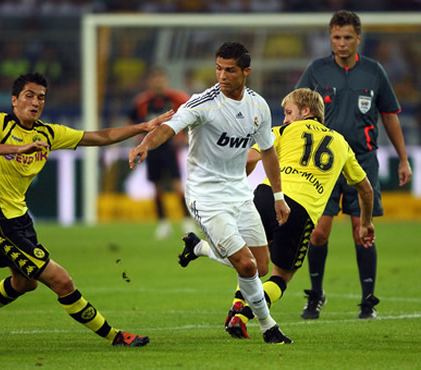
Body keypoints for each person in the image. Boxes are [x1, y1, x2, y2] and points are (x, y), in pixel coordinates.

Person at [0, 72, 173, 346]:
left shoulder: (48, 133)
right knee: (61, 281)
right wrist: (17, 147)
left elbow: (99, 137)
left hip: (21, 220)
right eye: (29, 96)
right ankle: (115, 337)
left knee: (25, 283)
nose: (36, 102)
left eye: (41, 97)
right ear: (14, 100)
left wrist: (142, 127)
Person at [129, 42, 292, 344]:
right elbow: (169, 128)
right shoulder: (202, 103)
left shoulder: (259, 107)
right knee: (247, 266)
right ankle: (269, 328)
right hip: (205, 195)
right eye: (218, 68)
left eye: (230, 70)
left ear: (246, 71)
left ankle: (199, 248)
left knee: (263, 265)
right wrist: (145, 145)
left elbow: (268, 152)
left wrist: (279, 197)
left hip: (239, 193)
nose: (222, 75)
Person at [179, 88, 375, 338]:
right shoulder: (341, 143)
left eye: (288, 112)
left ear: (306, 111)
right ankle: (241, 316)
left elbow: (249, 157)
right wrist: (365, 223)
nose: (284, 118)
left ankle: (205, 255)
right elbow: (366, 190)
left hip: (265, 196)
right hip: (299, 209)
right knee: (280, 275)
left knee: (248, 258)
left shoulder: (283, 131)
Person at [295, 10, 412, 319]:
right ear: (330, 38)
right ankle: (316, 295)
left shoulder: (374, 72)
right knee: (318, 232)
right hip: (324, 165)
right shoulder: (316, 70)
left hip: (362, 161)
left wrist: (402, 158)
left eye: (348, 37)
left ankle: (368, 301)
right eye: (336, 37)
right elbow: (296, 109)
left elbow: (389, 115)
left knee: (362, 230)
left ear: (358, 38)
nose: (342, 43)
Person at [128, 66, 195, 239]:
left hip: (170, 148)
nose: (158, 83)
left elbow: (194, 116)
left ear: (165, 81)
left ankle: (187, 221)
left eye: (160, 79)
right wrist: (138, 138)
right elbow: (132, 120)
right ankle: (163, 223)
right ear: (150, 82)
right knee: (157, 186)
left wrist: (186, 137)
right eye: (154, 79)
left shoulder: (178, 99)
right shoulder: (142, 102)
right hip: (152, 149)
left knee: (176, 185)